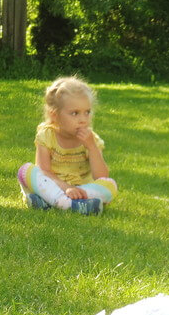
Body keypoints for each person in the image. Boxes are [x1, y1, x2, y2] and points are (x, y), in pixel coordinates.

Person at [17, 76, 118, 215]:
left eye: (87, 112)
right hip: (52, 186)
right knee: (26, 171)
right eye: (75, 113)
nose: (83, 120)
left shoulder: (91, 139)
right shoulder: (46, 135)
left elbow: (101, 176)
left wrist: (92, 147)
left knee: (110, 185)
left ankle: (53, 202)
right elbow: (44, 171)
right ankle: (73, 204)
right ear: (54, 115)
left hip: (82, 189)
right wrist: (66, 188)